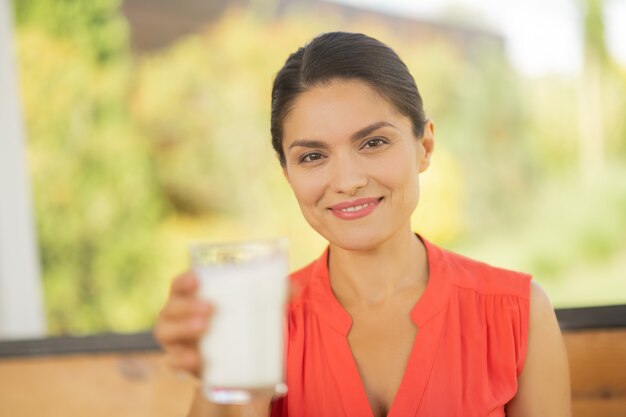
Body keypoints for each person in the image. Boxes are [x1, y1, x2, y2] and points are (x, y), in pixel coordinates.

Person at [154, 32, 571, 417]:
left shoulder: (518, 311)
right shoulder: (260, 324)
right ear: (288, 174)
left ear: (424, 147)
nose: (348, 181)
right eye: (312, 156)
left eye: (373, 143)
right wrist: (219, 383)